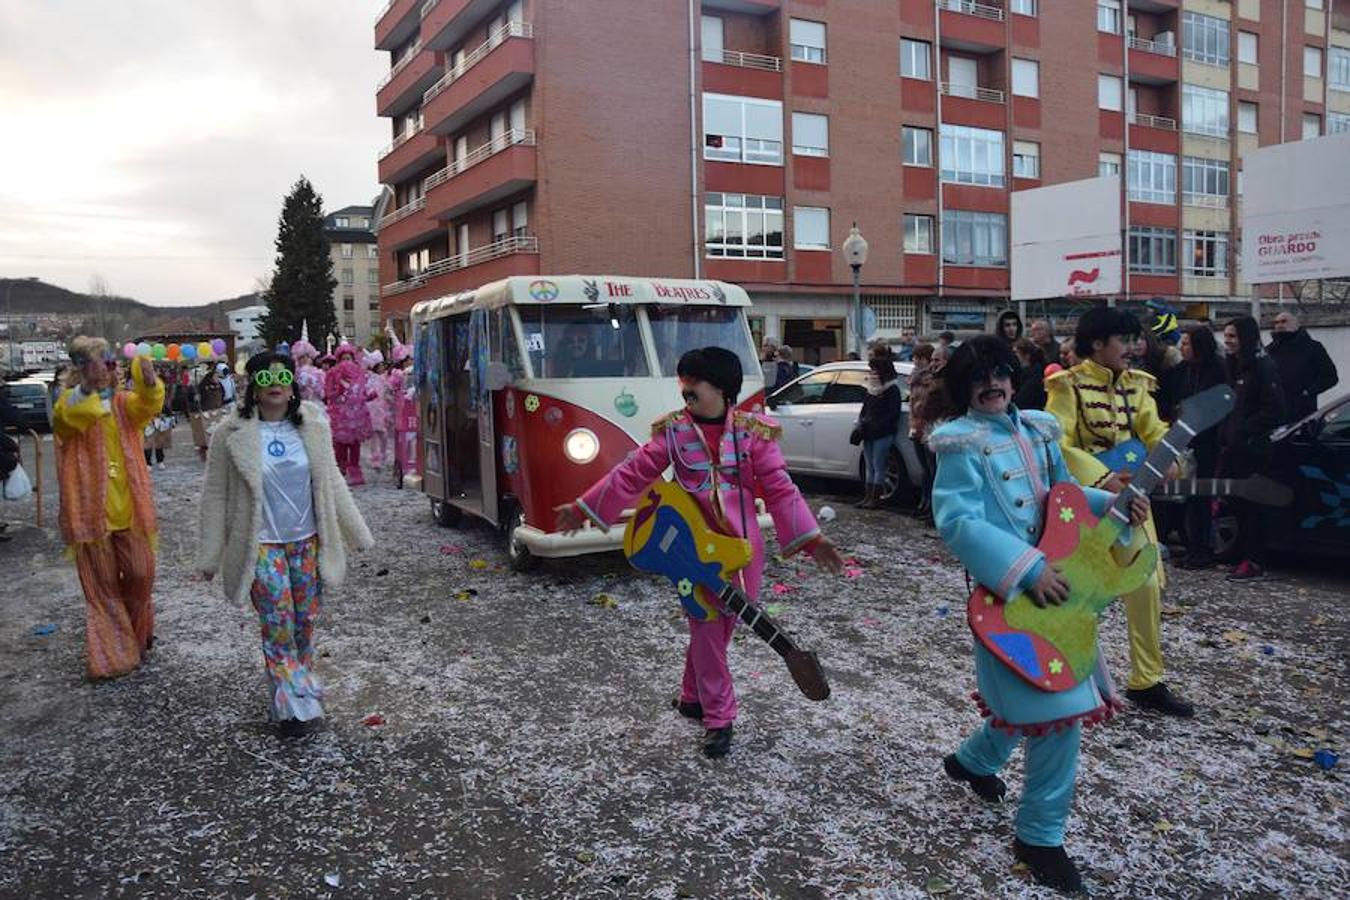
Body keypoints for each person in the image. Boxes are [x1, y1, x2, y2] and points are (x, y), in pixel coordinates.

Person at [932, 336, 1148, 896]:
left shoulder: (1038, 430)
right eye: (978, 378)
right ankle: (1040, 837)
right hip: (1008, 600)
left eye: (999, 373)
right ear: (963, 389)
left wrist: (1114, 505)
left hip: (1060, 594)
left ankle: (973, 762)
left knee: (1031, 703)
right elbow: (958, 523)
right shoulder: (960, 444)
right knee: (1056, 712)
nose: (992, 384)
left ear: (1012, 376)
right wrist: (1027, 569)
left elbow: (1064, 498)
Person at [554, 347, 844, 759]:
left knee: (717, 632)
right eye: (684, 386)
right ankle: (720, 717)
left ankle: (693, 696)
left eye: (694, 386)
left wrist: (812, 539)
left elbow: (780, 488)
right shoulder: (672, 432)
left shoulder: (754, 433)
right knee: (707, 628)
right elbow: (633, 473)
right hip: (691, 551)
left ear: (722, 389)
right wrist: (585, 507)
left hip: (744, 552)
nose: (686, 393)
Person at [198, 352, 373, 736]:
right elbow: (215, 495)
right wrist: (209, 555)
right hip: (261, 545)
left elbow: (331, 482)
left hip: (306, 542)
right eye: (265, 377)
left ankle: (294, 690)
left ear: (292, 384)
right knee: (278, 623)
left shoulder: (313, 426)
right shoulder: (230, 434)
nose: (275, 383)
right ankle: (293, 704)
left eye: (282, 376)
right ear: (253, 386)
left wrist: (356, 532)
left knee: (304, 622)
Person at [1045, 308, 1193, 718]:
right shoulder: (1066, 386)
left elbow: (1154, 430)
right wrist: (1102, 478)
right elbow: (1057, 444)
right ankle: (1066, 673)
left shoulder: (1139, 385)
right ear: (1097, 343)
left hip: (1133, 503)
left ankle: (1147, 680)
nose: (1133, 347)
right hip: (1084, 504)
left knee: (1145, 583)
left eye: (1134, 339)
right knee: (1077, 590)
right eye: (1123, 340)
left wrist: (1169, 457)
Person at [51, 337, 164, 680]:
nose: (105, 371)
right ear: (81, 370)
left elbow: (147, 406)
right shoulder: (69, 403)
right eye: (96, 365)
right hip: (90, 518)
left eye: (110, 364)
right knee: (103, 589)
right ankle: (114, 655)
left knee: (141, 574)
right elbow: (68, 419)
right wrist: (89, 390)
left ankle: (134, 634)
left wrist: (149, 382)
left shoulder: (123, 404)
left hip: (130, 512)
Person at [1221, 316, 1287, 581]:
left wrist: (1245, 430)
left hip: (1253, 449)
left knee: (1253, 508)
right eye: (1226, 336)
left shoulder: (1263, 366)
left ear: (1245, 338)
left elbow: (1275, 409)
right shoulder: (1234, 366)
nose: (1227, 341)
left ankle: (1255, 560)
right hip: (1234, 448)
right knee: (1237, 505)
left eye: (1232, 336)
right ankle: (1244, 557)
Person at [1169, 326, 1227, 570]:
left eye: (1186, 344)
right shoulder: (1185, 370)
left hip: (1209, 442)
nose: (1181, 348)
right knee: (1191, 499)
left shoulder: (1217, 369)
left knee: (1202, 498)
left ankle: (1203, 549)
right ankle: (1194, 547)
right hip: (1189, 439)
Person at [1267, 309, 1338, 422]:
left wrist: (1308, 392)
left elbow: (1330, 377)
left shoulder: (1313, 348)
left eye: (1284, 321)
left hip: (1303, 415)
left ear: (1296, 324)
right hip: (1275, 415)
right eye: (1276, 322)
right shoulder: (1270, 350)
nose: (1279, 325)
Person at [856, 355, 903, 509]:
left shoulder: (892, 389)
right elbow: (865, 409)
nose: (872, 374)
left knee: (878, 465)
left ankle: (875, 499)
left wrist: (878, 425)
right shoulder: (871, 389)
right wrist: (862, 422)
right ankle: (868, 497)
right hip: (868, 432)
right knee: (869, 465)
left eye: (875, 371)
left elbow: (893, 413)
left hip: (883, 433)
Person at [325, 342, 373, 485]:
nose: (346, 362)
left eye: (349, 358)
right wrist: (338, 391)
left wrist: (369, 395)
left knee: (355, 444)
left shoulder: (359, 373)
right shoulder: (332, 373)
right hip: (339, 414)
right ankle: (341, 469)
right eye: (344, 359)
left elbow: (364, 392)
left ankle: (355, 470)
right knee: (340, 444)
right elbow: (328, 394)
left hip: (356, 415)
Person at [906, 343, 941, 521]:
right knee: (925, 470)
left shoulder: (931, 380)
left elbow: (927, 405)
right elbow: (912, 404)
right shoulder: (914, 378)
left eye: (920, 358)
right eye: (915, 358)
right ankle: (924, 503)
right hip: (916, 426)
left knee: (933, 470)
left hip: (928, 427)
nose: (916, 361)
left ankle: (932, 508)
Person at [363, 351, 394, 471]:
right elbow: (367, 391)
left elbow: (388, 390)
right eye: (381, 365)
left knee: (383, 434)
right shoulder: (369, 378)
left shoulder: (384, 378)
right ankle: (375, 458)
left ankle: (383, 454)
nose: (383, 367)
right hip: (372, 408)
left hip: (382, 408)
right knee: (374, 435)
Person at [1011, 338, 1048, 411]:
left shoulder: (1035, 373)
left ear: (1026, 355)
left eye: (1016, 353)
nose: (1014, 356)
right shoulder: (1022, 371)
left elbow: (1022, 398)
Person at [291, 338, 326, 404]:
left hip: (316, 404)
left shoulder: (319, 373)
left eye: (307, 356)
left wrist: (314, 385)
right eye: (301, 357)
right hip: (301, 404)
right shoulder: (295, 374)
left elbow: (322, 393)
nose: (304, 359)